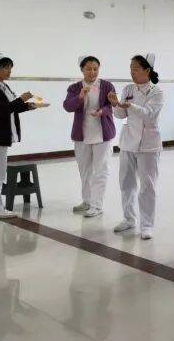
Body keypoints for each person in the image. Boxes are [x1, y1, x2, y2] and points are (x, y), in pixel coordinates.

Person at [0, 52, 40, 219]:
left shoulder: (2, 85)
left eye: (10, 68)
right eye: (6, 68)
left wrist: (27, 106)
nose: (9, 71)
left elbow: (10, 107)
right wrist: (21, 99)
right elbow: (0, 111)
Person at [109, 54, 164, 239]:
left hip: (148, 145)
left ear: (147, 70)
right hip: (128, 142)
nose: (132, 72)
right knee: (126, 182)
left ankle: (147, 225)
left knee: (147, 186)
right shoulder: (128, 89)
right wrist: (115, 104)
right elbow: (120, 115)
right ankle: (129, 219)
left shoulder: (156, 92)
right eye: (130, 69)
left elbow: (149, 114)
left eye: (135, 69)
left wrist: (129, 106)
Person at [62, 55, 116, 218]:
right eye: (88, 69)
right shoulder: (74, 87)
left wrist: (102, 111)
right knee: (85, 170)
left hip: (102, 134)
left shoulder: (107, 86)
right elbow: (67, 106)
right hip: (82, 134)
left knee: (100, 171)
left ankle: (97, 205)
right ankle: (87, 201)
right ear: (82, 70)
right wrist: (80, 96)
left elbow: (112, 105)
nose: (92, 72)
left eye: (95, 69)